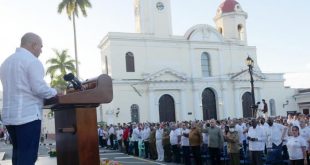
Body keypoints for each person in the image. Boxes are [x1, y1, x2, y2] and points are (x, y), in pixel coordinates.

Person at [0, 32, 57, 165]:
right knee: (28, 157)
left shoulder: (6, 62)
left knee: (18, 154)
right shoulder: (32, 61)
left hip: (9, 117)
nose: (41, 51)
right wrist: (54, 92)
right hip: (28, 117)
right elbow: (39, 88)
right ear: (33, 45)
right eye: (41, 47)